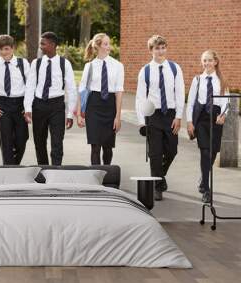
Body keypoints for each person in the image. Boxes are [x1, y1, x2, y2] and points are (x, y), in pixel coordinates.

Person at [135, 35, 185, 201]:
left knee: (172, 150)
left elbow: (179, 94)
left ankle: (159, 176)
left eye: (163, 47)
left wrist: (178, 117)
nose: (161, 51)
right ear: (151, 50)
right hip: (153, 115)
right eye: (157, 48)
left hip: (170, 114)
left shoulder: (175, 68)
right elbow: (140, 98)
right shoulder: (146, 71)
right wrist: (142, 122)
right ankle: (157, 187)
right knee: (155, 153)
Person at [24, 32, 77, 165]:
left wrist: (70, 113)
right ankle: (43, 170)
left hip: (57, 106)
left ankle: (56, 171)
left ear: (53, 45)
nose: (40, 46)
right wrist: (28, 107)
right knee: (39, 142)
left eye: (43, 43)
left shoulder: (64, 64)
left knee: (57, 142)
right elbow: (30, 86)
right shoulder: (36, 63)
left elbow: (71, 89)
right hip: (39, 105)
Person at [186, 50, 229, 203]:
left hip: (216, 119)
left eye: (210, 60)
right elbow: (191, 102)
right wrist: (189, 121)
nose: (207, 63)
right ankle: (206, 189)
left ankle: (203, 178)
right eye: (204, 60)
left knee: (212, 153)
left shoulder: (221, 80)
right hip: (202, 119)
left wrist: (223, 114)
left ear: (215, 62)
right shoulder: (197, 80)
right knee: (205, 152)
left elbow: (226, 101)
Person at [78, 33, 124, 165]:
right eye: (106, 44)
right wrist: (79, 114)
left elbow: (119, 92)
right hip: (93, 106)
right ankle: (96, 178)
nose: (109, 47)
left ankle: (107, 173)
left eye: (109, 43)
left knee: (108, 147)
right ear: (98, 46)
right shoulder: (89, 66)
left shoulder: (118, 65)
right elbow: (82, 90)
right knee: (95, 147)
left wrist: (117, 116)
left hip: (110, 106)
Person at [0, 35, 30, 165]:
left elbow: (30, 86)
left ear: (13, 48)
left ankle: (14, 165)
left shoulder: (23, 63)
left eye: (6, 49)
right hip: (3, 105)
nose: (3, 52)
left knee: (22, 139)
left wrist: (28, 107)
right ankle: (9, 169)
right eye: (0, 49)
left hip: (20, 104)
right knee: (6, 141)